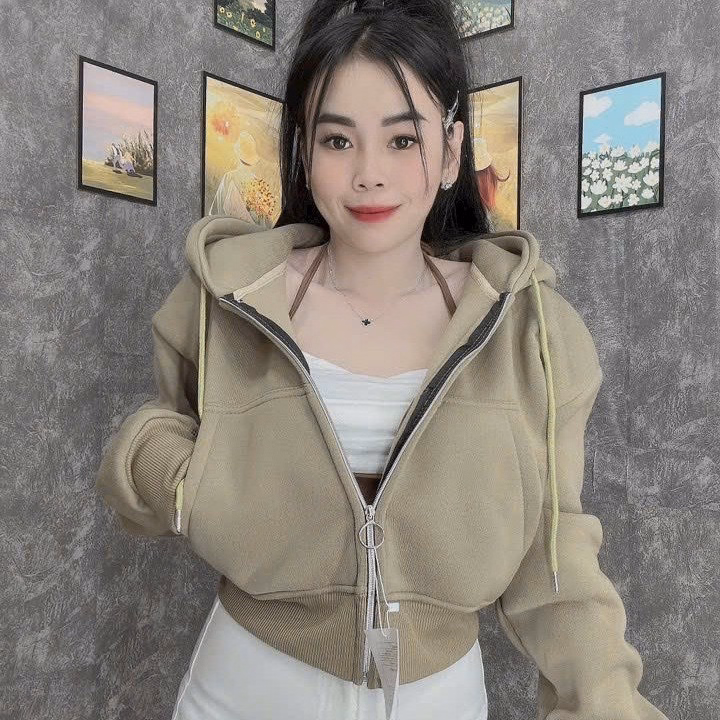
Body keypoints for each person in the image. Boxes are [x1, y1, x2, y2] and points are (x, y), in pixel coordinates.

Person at [95, 1, 670, 719]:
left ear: (452, 151)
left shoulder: (532, 333)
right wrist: (172, 474)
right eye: (339, 140)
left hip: (438, 698)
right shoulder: (229, 294)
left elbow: (556, 560)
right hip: (244, 688)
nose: (369, 174)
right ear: (305, 150)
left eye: (402, 140)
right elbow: (160, 434)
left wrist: (607, 703)